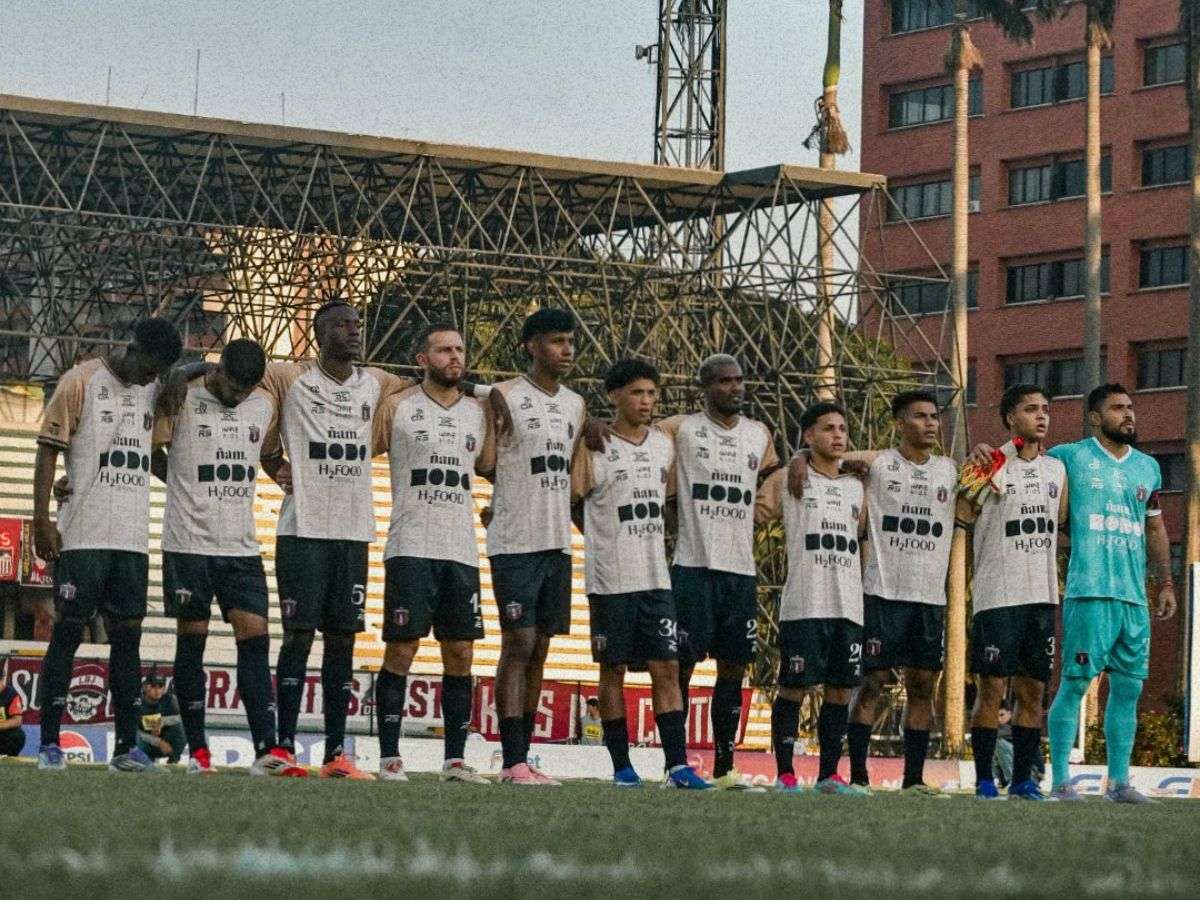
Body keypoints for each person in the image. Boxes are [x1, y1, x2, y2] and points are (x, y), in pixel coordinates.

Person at [972, 383, 1177, 803]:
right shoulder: (1069, 457)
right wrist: (984, 451)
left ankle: (1118, 782)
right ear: (1095, 418)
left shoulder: (1148, 467)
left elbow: (1155, 526)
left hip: (1133, 597)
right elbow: (1022, 458)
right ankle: (1062, 781)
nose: (1128, 414)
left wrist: (1166, 582)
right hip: (1088, 591)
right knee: (1075, 683)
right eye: (1117, 408)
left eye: (1130, 407)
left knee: (1129, 689)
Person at [257, 299, 416, 779]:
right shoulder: (289, 377)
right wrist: (274, 465)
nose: (354, 331)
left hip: (353, 531)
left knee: (343, 641)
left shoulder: (377, 382)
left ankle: (335, 754)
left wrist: (485, 390)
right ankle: (283, 748)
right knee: (298, 637)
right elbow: (241, 380)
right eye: (343, 325)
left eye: (356, 324)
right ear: (319, 332)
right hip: (302, 529)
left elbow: (431, 384)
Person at [150, 338, 307, 777]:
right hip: (188, 543)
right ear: (217, 370)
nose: (238, 397)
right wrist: (178, 482)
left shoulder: (263, 404)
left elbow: (269, 453)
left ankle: (266, 750)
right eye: (233, 387)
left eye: (246, 390)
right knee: (192, 639)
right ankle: (199, 753)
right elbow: (151, 447)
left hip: (241, 546)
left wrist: (281, 473)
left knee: (255, 638)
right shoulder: (183, 394)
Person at [788, 390, 957, 795]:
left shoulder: (949, 470)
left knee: (922, 687)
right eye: (920, 416)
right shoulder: (877, 464)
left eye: (934, 417)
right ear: (900, 423)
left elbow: (990, 475)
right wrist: (798, 457)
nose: (930, 424)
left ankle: (913, 779)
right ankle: (859, 775)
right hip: (881, 594)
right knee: (872, 684)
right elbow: (827, 456)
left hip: (929, 599)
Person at [33, 317, 183, 772]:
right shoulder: (80, 381)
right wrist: (41, 520)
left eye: (159, 373)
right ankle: (49, 744)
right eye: (149, 368)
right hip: (83, 535)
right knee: (67, 635)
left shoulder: (152, 388)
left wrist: (189, 487)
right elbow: (47, 449)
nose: (150, 378)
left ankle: (125, 748)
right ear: (132, 349)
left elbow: (153, 454)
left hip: (131, 540)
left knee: (128, 643)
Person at [570, 358, 709, 789]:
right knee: (612, 670)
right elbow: (572, 500)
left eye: (651, 393)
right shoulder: (594, 444)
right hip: (610, 578)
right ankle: (622, 768)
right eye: (636, 393)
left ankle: (677, 766)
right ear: (614, 396)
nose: (646, 401)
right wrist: (600, 535)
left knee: (666, 666)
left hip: (655, 578)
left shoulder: (663, 444)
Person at [370, 323, 494, 784]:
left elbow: (491, 466)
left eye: (460, 349)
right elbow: (359, 450)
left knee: (460, 653)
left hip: (460, 549)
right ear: (422, 359)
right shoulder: (398, 406)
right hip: (411, 545)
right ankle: (389, 756)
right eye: (444, 350)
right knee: (401, 650)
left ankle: (454, 760)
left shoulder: (477, 413)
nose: (455, 357)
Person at [656, 355, 778, 790]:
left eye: (739, 379)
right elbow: (635, 435)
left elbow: (775, 476)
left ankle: (726, 767)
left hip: (739, 572)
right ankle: (676, 764)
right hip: (693, 568)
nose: (735, 387)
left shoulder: (758, 434)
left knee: (733, 670)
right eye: (724, 381)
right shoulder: (681, 429)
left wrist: (765, 505)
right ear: (704, 387)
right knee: (681, 668)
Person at [486, 308, 585, 785]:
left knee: (541, 647)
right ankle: (510, 760)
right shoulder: (502, 394)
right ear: (531, 345)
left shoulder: (576, 404)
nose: (566, 350)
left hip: (557, 541)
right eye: (556, 341)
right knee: (518, 643)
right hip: (514, 539)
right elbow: (484, 455)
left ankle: (523, 758)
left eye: (570, 341)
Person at [956, 384, 1066, 801]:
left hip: (1042, 597)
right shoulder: (990, 462)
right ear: (1010, 418)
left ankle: (1023, 780)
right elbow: (962, 512)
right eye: (1031, 409)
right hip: (997, 596)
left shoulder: (1057, 469)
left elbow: (1061, 521)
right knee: (991, 689)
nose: (1041, 416)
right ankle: (984, 779)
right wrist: (979, 468)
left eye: (1045, 409)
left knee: (1033, 691)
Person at [757, 402, 869, 795]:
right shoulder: (791, 478)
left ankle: (828, 776)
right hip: (805, 604)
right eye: (828, 428)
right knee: (793, 688)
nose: (838, 435)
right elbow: (753, 514)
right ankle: (786, 774)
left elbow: (884, 459)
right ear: (808, 435)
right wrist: (799, 459)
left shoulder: (856, 486)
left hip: (848, 606)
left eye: (843, 428)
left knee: (840, 691)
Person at [135, 671, 186, 764]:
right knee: (132, 736)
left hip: (167, 745)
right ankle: (143, 762)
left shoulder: (170, 700)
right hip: (146, 744)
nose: (157, 690)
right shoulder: (137, 703)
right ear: (145, 687)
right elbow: (133, 731)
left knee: (184, 726)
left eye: (160, 687)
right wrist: (158, 742)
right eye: (153, 686)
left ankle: (174, 759)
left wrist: (162, 721)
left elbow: (183, 719)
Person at [0, 658, 25, 757]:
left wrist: (2, 725)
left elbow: (17, 720)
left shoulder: (11, 694)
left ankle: (5, 755)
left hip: (2, 734)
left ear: (2, 680)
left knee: (18, 735)